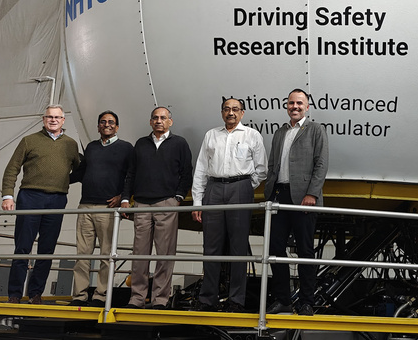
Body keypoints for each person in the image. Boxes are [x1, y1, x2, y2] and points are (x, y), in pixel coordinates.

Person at [1, 104, 81, 305]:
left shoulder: (71, 145)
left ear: (63, 121)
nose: (53, 120)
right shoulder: (29, 141)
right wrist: (8, 196)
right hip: (30, 197)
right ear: (43, 119)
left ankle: (36, 293)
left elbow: (80, 171)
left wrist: (62, 181)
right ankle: (15, 294)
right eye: (49, 117)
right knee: (23, 247)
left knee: (47, 249)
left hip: (57, 199)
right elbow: (12, 169)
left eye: (57, 117)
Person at [192, 98, 266, 312]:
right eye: (227, 109)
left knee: (238, 247)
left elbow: (262, 169)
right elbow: (200, 170)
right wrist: (198, 201)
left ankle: (236, 300)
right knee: (211, 247)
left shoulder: (252, 135)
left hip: (240, 189)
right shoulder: (211, 135)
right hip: (214, 190)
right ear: (221, 112)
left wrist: (244, 186)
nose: (230, 113)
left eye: (235, 109)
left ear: (242, 113)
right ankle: (207, 299)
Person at [264, 89, 329, 316]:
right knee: (275, 249)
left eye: (299, 103)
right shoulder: (280, 132)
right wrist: (269, 194)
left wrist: (312, 193)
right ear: (287, 106)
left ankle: (306, 302)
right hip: (279, 197)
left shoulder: (316, 130)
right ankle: (283, 300)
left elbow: (321, 164)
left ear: (307, 106)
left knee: (305, 251)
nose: (295, 107)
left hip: (304, 199)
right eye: (291, 103)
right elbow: (273, 164)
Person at [121, 107, 193, 309]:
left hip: (167, 203)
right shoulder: (141, 144)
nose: (159, 121)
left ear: (170, 121)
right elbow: (131, 173)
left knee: (164, 253)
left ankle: (160, 299)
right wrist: (126, 198)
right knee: (139, 254)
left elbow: (187, 172)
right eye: (155, 118)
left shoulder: (179, 143)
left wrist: (178, 197)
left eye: (163, 118)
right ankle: (136, 298)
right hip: (141, 204)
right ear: (150, 122)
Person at [69, 110, 133, 307]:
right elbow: (80, 173)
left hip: (108, 208)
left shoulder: (126, 148)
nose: (107, 125)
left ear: (117, 127)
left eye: (111, 122)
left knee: (106, 256)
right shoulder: (91, 147)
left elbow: (131, 176)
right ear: (98, 126)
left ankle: (100, 296)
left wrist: (123, 197)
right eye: (103, 122)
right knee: (82, 255)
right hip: (85, 205)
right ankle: (79, 296)